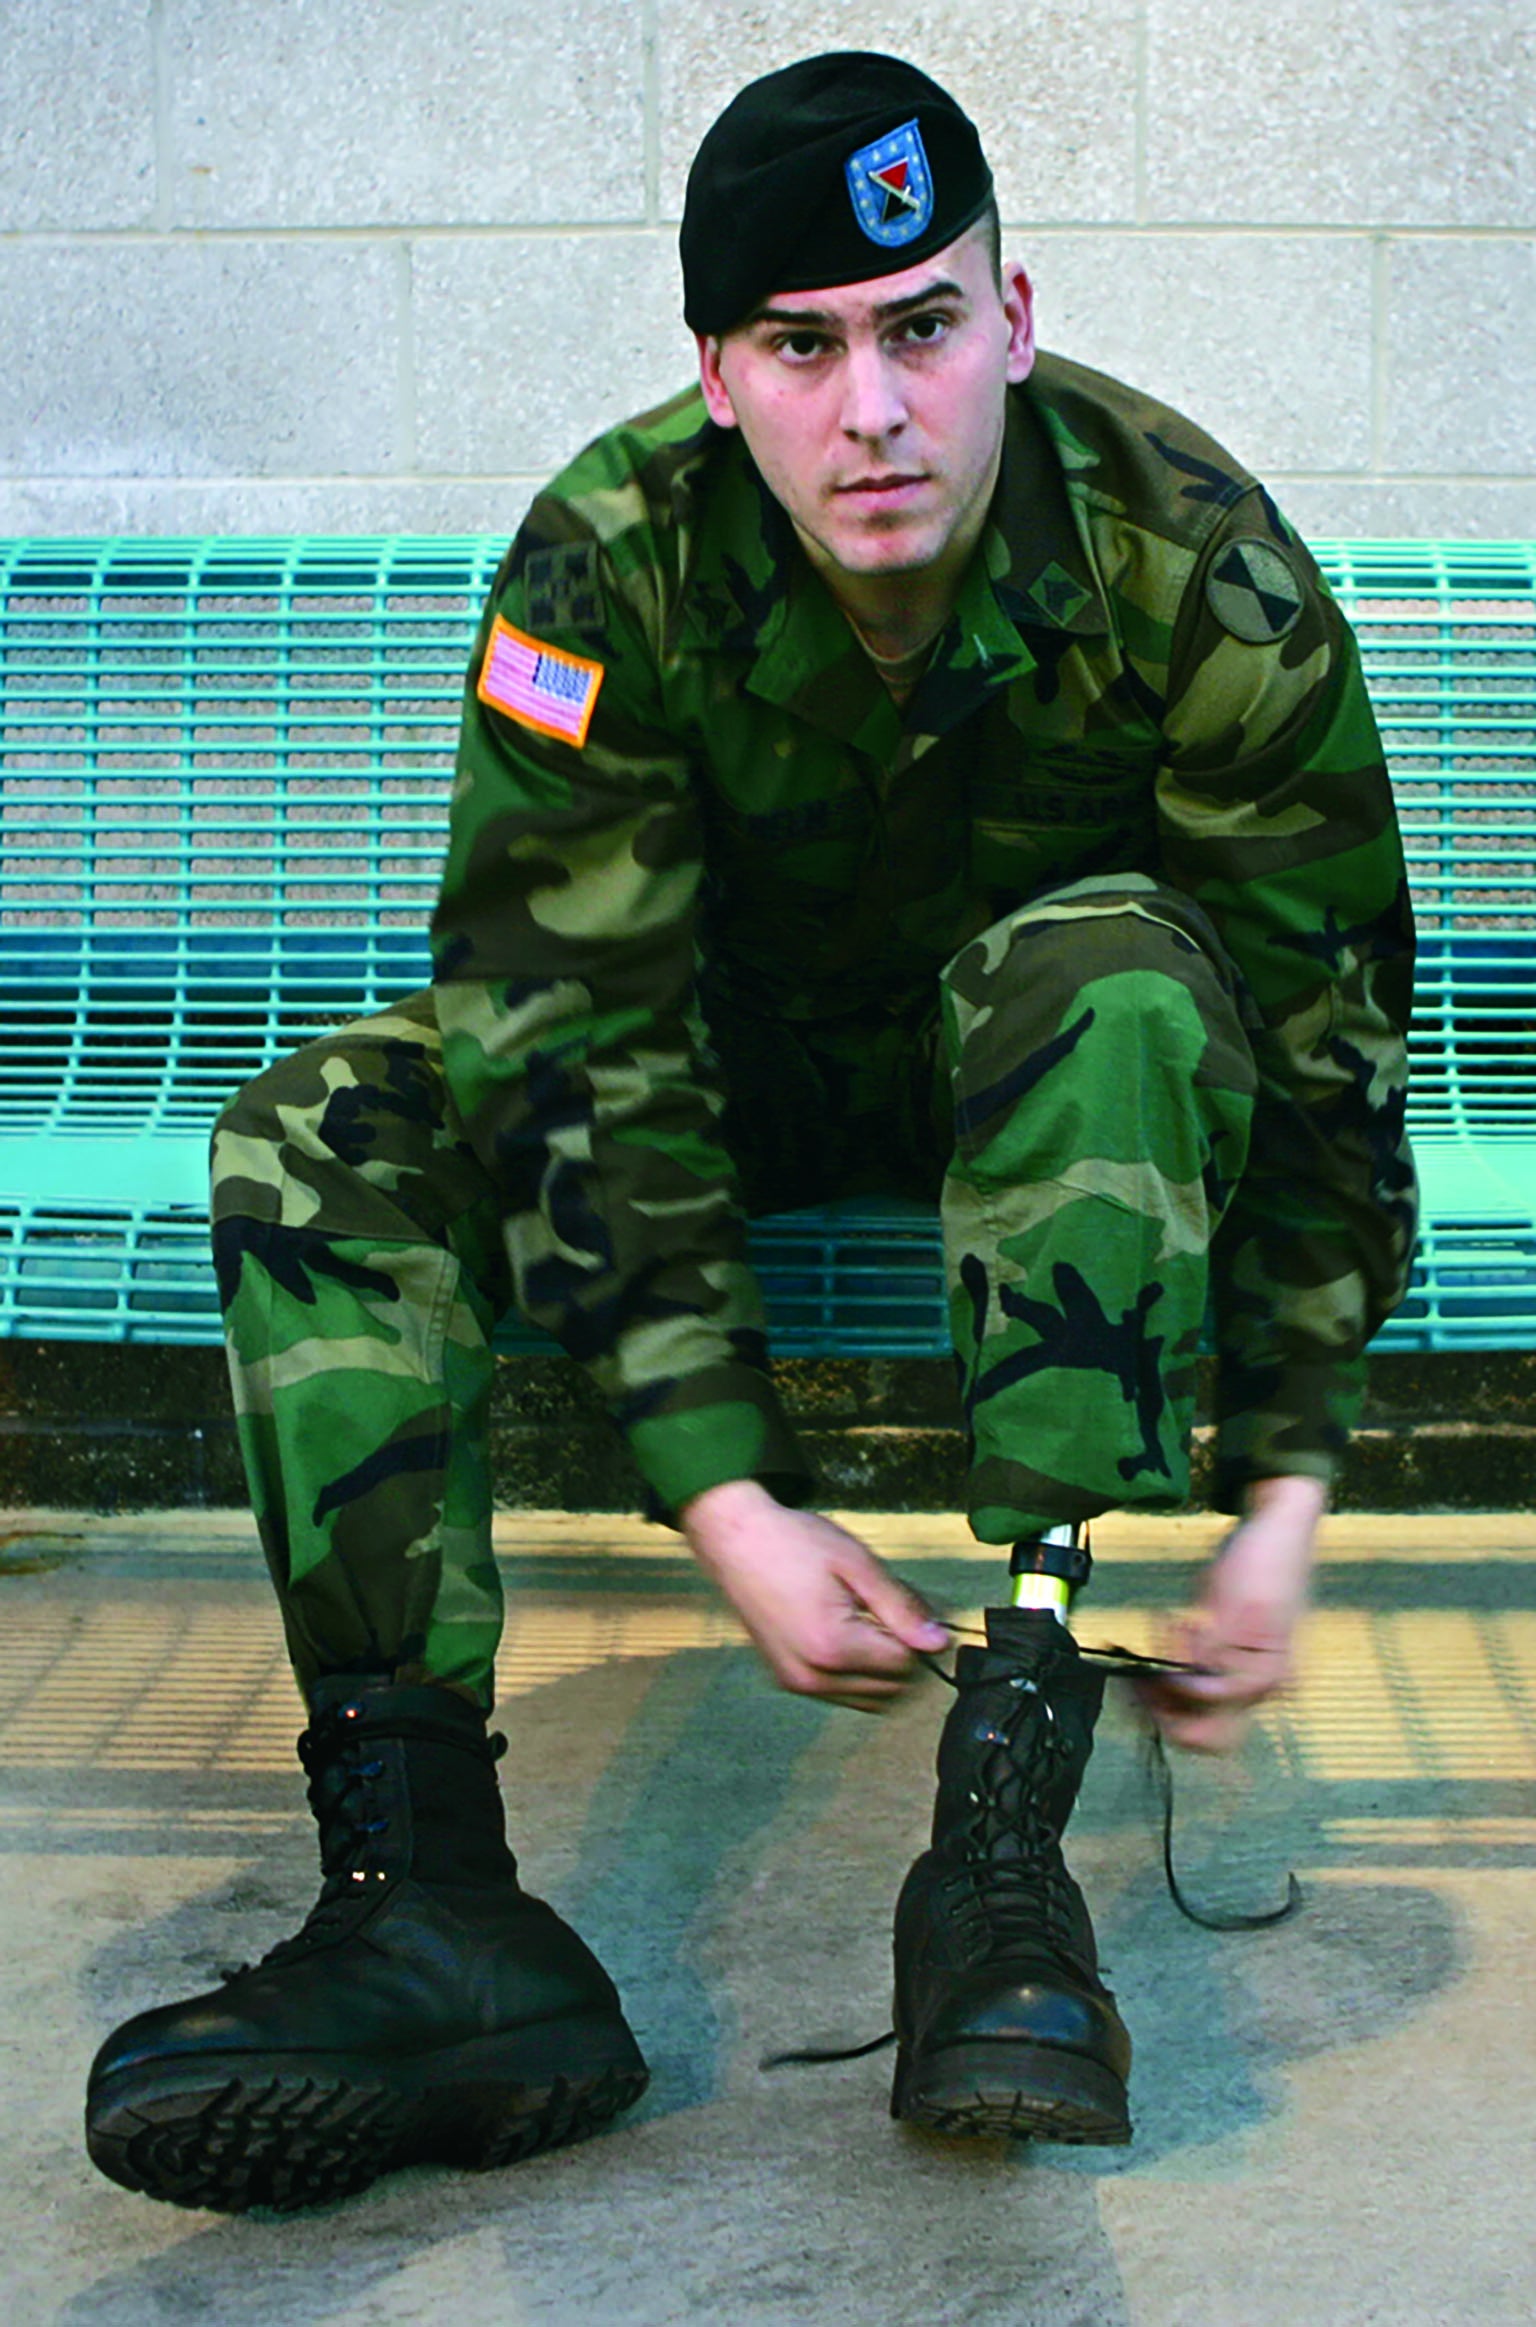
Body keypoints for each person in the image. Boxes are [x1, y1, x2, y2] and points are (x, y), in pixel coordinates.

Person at [84, 52, 1416, 2212]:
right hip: (718, 1078)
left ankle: (1002, 1858)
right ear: (717, 374)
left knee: (1117, 970)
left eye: (919, 326)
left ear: (1016, 318)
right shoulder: (603, 569)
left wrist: (1281, 1472)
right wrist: (723, 1491)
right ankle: (434, 1910)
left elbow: (1321, 1028)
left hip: (1054, 1068)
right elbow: (562, 1029)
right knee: (324, 1132)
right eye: (801, 347)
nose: (871, 411)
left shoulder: (1195, 560)